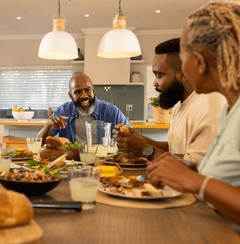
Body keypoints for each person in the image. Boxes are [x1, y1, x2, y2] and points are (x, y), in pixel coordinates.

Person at [147, 2, 240, 225]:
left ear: (198, 62)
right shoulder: (230, 111)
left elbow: (205, 184)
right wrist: (183, 167)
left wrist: (195, 181)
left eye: (184, 56)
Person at [115, 38, 226, 163]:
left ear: (183, 75)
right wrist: (140, 139)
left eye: (159, 75)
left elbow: (198, 165)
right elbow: (174, 149)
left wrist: (146, 150)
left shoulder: (208, 106)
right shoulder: (182, 104)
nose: (154, 83)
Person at [36, 73, 130, 143]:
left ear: (93, 90)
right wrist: (49, 125)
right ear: (70, 95)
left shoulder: (112, 112)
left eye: (87, 90)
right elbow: (38, 142)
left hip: (103, 163)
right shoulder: (62, 111)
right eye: (77, 92)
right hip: (72, 163)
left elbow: (132, 138)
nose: (84, 96)